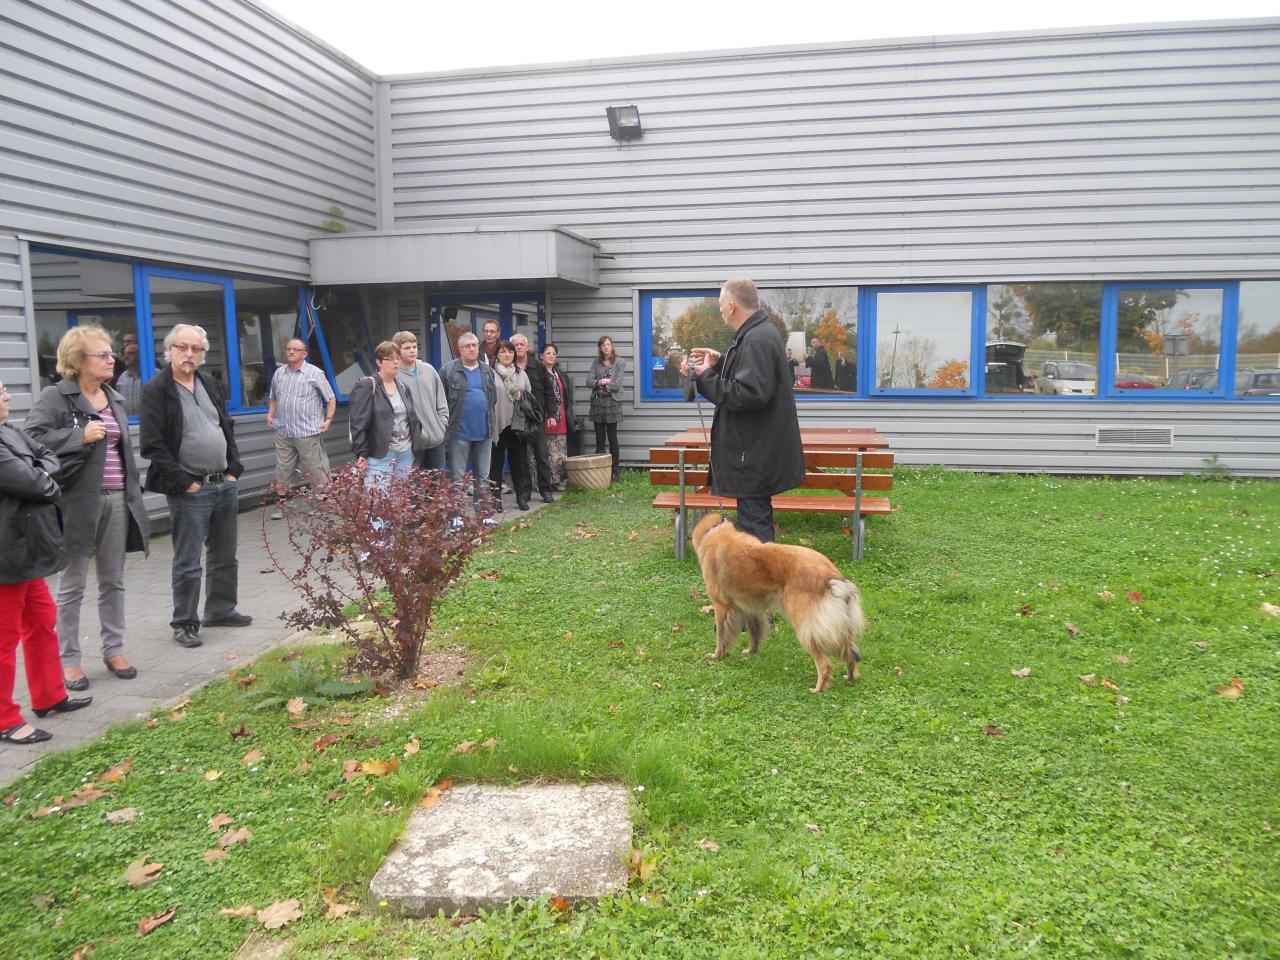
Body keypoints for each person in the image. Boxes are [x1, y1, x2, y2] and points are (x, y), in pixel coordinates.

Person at [25, 326, 150, 692]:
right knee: (72, 584)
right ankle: (69, 660)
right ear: (78, 362)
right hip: (77, 502)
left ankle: (114, 649)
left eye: (111, 354)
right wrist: (76, 436)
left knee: (113, 579)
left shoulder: (114, 398)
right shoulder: (57, 397)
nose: (112, 359)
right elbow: (31, 439)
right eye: (103, 355)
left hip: (117, 499)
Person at [140, 323, 251, 649]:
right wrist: (184, 483)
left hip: (223, 483)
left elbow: (225, 425)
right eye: (182, 347)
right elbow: (153, 444)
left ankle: (220, 609)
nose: (189, 354)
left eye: (196, 349)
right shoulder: (157, 390)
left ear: (203, 354)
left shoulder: (208, 382)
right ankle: (185, 622)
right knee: (188, 561)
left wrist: (234, 469)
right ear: (170, 350)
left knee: (225, 554)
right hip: (191, 489)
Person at [0, 379, 92, 744]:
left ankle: (49, 695)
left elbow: (47, 459)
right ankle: (6, 719)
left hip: (28, 550)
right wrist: (43, 477)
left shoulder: (9, 431)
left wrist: (41, 473)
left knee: (42, 623)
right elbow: (32, 482)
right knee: (4, 639)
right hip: (6, 553)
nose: (6, 395)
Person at [685, 277, 804, 543]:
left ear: (731, 306)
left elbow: (749, 394)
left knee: (754, 530)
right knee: (753, 522)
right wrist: (720, 363)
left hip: (753, 455)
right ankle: (761, 580)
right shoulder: (757, 334)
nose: (719, 310)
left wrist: (705, 378)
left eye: (719, 304)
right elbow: (754, 377)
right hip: (754, 452)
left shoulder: (756, 339)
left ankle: (763, 582)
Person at [266, 337, 335, 515]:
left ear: (304, 354)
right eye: (288, 349)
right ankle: (281, 505)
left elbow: (331, 398)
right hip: (284, 431)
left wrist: (328, 419)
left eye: (295, 350)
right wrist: (271, 414)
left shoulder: (315, 373)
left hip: (308, 432)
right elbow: (273, 397)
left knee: (315, 469)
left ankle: (322, 504)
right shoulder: (279, 373)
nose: (290, 352)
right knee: (283, 470)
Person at [348, 341, 420, 485]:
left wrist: (416, 444)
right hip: (380, 454)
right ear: (379, 362)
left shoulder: (403, 387)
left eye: (398, 358)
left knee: (400, 499)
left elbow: (412, 418)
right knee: (378, 502)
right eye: (390, 358)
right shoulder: (367, 385)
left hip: (405, 452)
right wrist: (362, 452)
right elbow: (357, 423)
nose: (395, 362)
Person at [440, 332, 497, 510]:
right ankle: (456, 515)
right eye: (468, 346)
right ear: (460, 350)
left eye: (474, 345)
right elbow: (441, 401)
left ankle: (482, 516)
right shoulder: (448, 371)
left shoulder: (487, 371)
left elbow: (492, 398)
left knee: (483, 477)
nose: (472, 349)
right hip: (459, 433)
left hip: (484, 431)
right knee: (457, 478)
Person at [391, 331, 450, 470]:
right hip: (411, 444)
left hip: (436, 439)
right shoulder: (395, 375)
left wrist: (441, 426)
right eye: (407, 348)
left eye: (414, 346)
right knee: (413, 487)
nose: (412, 350)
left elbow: (442, 401)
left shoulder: (429, 370)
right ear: (397, 351)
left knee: (438, 487)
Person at [488, 341, 534, 511]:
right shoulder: (490, 373)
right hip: (498, 424)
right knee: (496, 464)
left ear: (515, 355)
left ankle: (521, 497)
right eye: (503, 352)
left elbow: (529, 397)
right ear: (497, 354)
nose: (507, 355)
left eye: (510, 352)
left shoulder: (521, 374)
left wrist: (522, 397)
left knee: (518, 463)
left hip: (517, 424)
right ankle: (495, 499)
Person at [511, 333, 556, 503]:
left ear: (527, 347)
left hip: (536, 419)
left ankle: (546, 490)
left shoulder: (538, 366)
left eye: (522, 344)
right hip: (516, 421)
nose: (519, 347)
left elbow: (549, 392)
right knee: (521, 459)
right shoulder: (508, 367)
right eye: (515, 345)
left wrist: (551, 414)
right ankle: (525, 492)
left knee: (542, 457)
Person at [587, 335, 626, 484]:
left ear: (612, 346)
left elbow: (617, 384)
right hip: (597, 403)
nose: (606, 347)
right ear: (600, 348)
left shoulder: (620, 362)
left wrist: (606, 385)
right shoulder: (595, 363)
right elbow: (588, 381)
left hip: (612, 403)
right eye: (603, 345)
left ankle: (614, 472)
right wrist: (600, 381)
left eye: (608, 344)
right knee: (599, 438)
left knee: (612, 438)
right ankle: (600, 472)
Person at [539, 343, 573, 490]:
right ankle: (548, 481)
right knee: (548, 450)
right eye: (548, 353)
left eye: (553, 353)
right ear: (541, 356)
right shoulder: (539, 373)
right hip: (547, 416)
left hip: (561, 416)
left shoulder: (558, 372)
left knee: (560, 451)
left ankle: (559, 479)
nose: (551, 356)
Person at [114, 340, 144, 415]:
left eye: (131, 354)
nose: (126, 357)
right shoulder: (122, 377)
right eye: (125, 354)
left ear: (140, 355)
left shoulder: (154, 374)